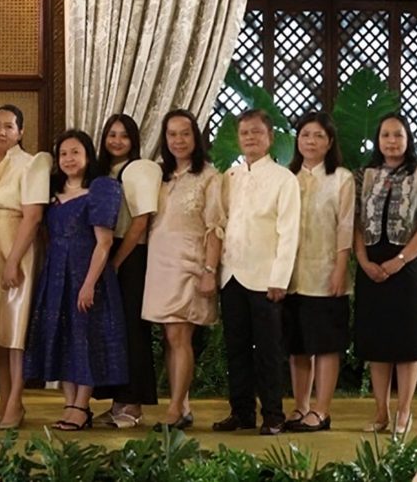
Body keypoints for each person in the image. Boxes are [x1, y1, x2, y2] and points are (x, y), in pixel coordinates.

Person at [24, 129, 124, 431]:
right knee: (61, 338)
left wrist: (89, 283)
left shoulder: (102, 188)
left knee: (85, 339)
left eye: (75, 152)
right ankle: (69, 404)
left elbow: (104, 243)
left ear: (88, 155)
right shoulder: (51, 194)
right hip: (55, 276)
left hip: (87, 275)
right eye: (63, 153)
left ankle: (82, 406)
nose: (69, 159)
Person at [354, 112, 417, 435]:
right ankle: (381, 413)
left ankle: (404, 412)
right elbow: (353, 224)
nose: (392, 141)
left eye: (398, 135)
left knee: (407, 344)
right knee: (377, 343)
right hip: (371, 267)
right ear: (378, 141)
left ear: (408, 140)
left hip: (408, 269)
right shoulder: (363, 176)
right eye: (386, 136)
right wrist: (363, 262)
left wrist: (400, 260)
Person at [213, 108, 299, 436]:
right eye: (245, 132)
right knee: (235, 347)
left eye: (257, 132)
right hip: (231, 274)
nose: (250, 138)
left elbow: (288, 232)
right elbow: (221, 222)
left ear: (270, 137)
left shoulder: (283, 179)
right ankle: (242, 412)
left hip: (266, 278)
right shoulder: (230, 177)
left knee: (269, 349)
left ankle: (274, 415)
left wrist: (280, 279)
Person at [0, 105, 49, 430]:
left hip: (17, 250)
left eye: (9, 126)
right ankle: (4, 398)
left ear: (20, 132)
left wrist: (14, 261)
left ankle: (17, 399)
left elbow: (33, 217)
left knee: (14, 332)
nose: (1, 131)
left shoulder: (31, 164)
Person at [142, 109, 221, 431]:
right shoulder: (158, 176)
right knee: (169, 335)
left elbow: (216, 227)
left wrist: (209, 270)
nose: (178, 140)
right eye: (172, 134)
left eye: (184, 133)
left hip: (191, 263)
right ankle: (182, 404)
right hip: (159, 264)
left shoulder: (210, 176)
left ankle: (175, 409)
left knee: (179, 335)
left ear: (196, 137)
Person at [283, 112, 353, 433]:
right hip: (291, 275)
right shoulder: (287, 178)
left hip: (326, 273)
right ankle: (301, 407)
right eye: (305, 135)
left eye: (318, 136)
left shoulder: (341, 178)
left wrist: (340, 268)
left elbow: (346, 226)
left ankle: (322, 411)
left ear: (330, 142)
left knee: (325, 345)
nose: (311, 141)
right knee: (298, 346)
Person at [92, 114, 160, 428]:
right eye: (111, 135)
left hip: (131, 256)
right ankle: (119, 401)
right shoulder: (103, 172)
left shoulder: (139, 169)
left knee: (133, 330)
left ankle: (133, 405)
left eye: (124, 136)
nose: (117, 141)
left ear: (134, 140)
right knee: (113, 331)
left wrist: (117, 261)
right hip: (108, 252)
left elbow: (141, 221)